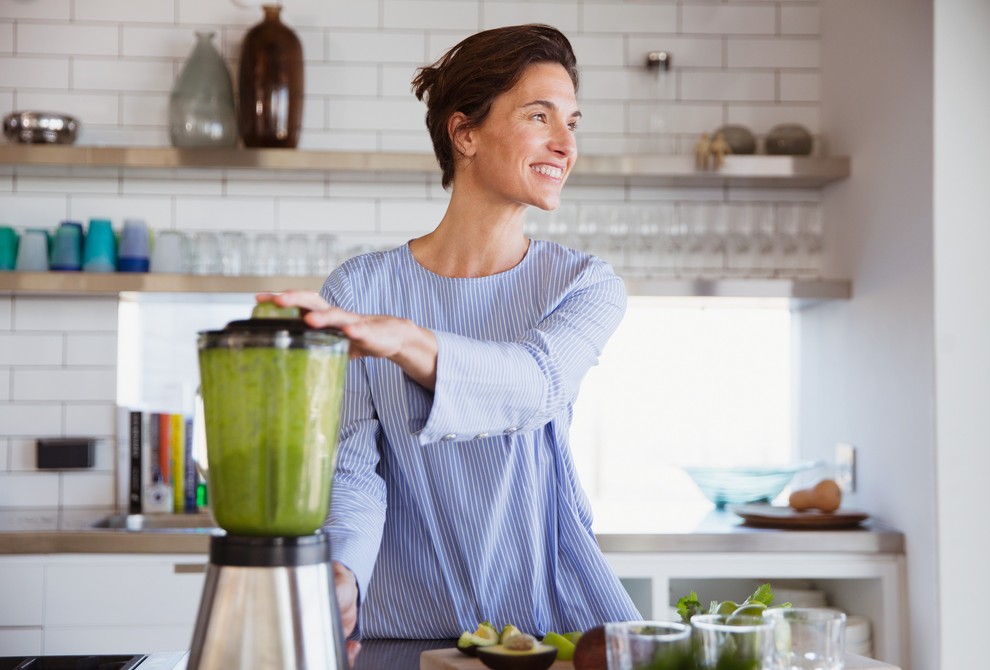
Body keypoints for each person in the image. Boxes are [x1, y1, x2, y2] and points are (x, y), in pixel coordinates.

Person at [266, 23, 641, 660]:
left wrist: (406, 341)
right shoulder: (360, 287)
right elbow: (355, 467)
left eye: (573, 122)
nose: (564, 143)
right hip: (405, 631)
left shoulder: (582, 284)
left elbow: (535, 385)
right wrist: (343, 572)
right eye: (539, 116)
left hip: (554, 630)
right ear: (464, 132)